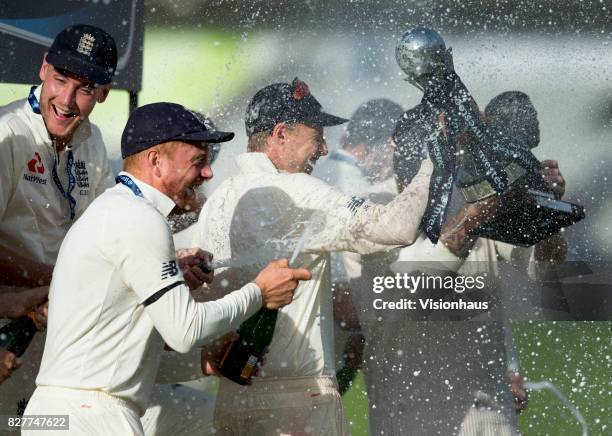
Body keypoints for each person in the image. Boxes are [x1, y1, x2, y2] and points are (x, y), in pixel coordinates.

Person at [23, 102, 311, 436]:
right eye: (197, 161)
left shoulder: (117, 208)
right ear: (156, 161)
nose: (208, 173)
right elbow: (185, 330)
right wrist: (259, 293)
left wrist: (204, 361)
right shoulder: (140, 218)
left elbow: (115, 354)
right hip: (91, 417)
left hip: (68, 412)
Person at [194, 77, 434, 435]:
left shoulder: (219, 200)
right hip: (297, 398)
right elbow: (394, 229)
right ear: (280, 135)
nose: (323, 150)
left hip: (233, 395)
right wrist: (435, 163)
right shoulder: (300, 191)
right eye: (317, 137)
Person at [360, 91, 567, 436]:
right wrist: (471, 220)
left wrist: (544, 212)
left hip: (490, 417)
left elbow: (543, 270)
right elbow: (412, 293)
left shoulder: (474, 195)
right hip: (409, 417)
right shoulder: (373, 209)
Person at [0, 24, 117, 419]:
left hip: (60, 332)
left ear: (104, 92)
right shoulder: (7, 133)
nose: (66, 100)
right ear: (43, 68)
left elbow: (105, 238)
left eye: (84, 88)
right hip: (9, 327)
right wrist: (57, 282)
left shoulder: (94, 141)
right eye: (60, 79)